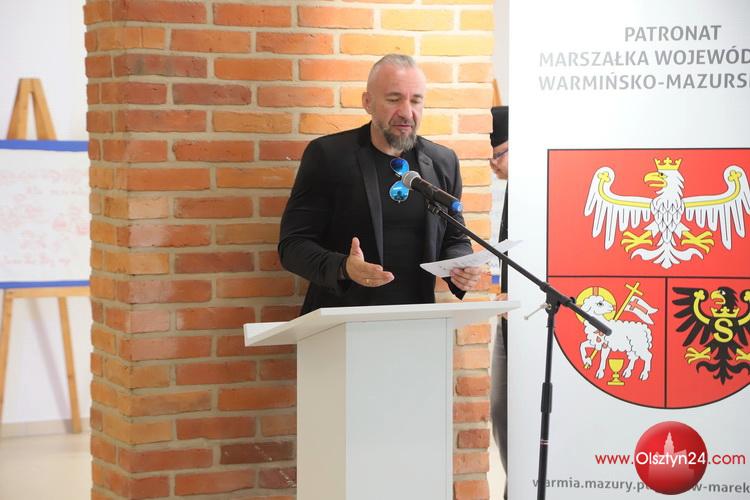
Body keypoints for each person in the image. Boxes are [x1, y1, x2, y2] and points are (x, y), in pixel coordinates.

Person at [278, 54, 481, 314]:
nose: (406, 113)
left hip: (417, 319)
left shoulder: (443, 161)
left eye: (416, 100)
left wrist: (460, 265)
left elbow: (455, 238)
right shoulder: (328, 156)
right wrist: (343, 267)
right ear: (368, 102)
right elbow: (293, 246)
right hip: (342, 319)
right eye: (394, 99)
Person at [489, 105, 509, 499]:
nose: (493, 164)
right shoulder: (510, 192)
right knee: (501, 412)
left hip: (534, 319)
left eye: (500, 154)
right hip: (508, 318)